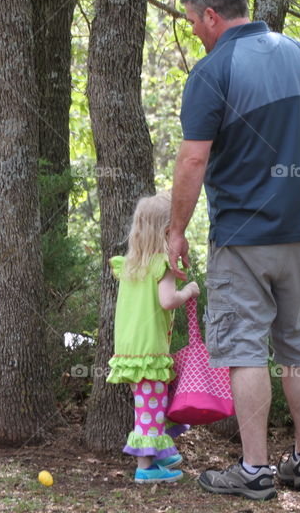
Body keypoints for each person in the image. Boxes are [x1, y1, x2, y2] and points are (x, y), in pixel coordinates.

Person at [167, 0, 300, 501]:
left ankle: (254, 470)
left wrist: (176, 230)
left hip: (243, 237)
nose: (194, 32)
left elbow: (194, 159)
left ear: (211, 15)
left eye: (193, 22)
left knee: (246, 348)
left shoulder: (213, 70)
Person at [106, 191, 201, 483]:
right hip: (150, 351)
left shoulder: (130, 265)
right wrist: (189, 291)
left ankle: (160, 453)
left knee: (151, 405)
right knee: (150, 409)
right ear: (167, 232)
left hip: (129, 351)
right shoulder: (162, 265)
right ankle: (145, 468)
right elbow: (167, 301)